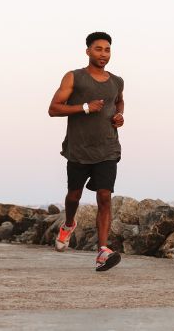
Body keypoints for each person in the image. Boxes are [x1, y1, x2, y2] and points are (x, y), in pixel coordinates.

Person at [47, 31, 125, 272]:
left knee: (104, 196)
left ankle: (102, 251)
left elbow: (118, 101)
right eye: (98, 49)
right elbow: (53, 109)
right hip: (79, 149)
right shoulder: (74, 77)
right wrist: (84, 107)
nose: (103, 54)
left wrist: (119, 116)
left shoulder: (116, 81)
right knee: (74, 196)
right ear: (88, 51)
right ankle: (69, 223)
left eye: (107, 50)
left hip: (108, 148)